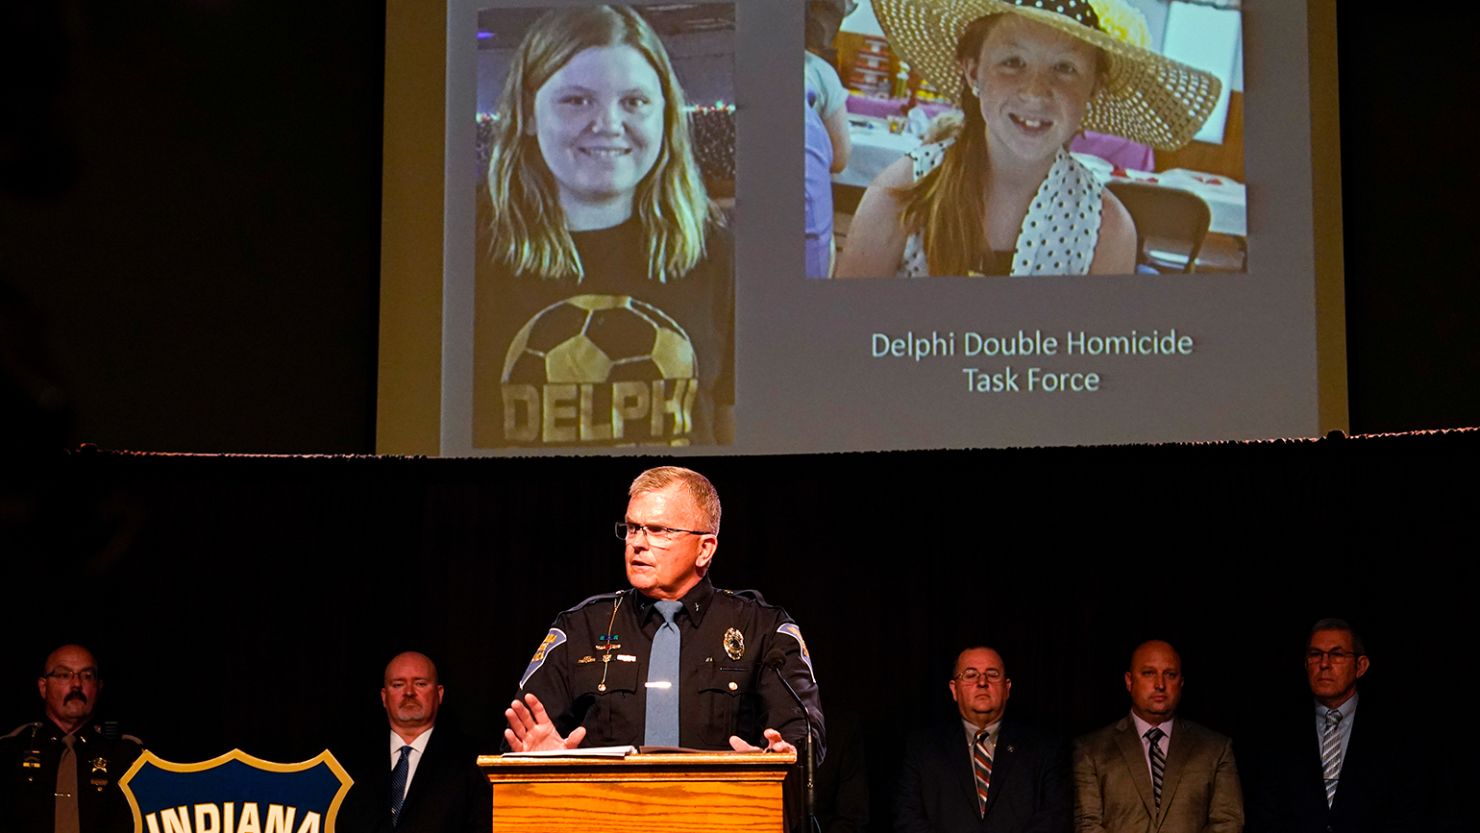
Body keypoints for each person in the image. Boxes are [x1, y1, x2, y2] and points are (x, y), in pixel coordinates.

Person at [475, 4, 734, 448]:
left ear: (665, 114)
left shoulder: (713, 249)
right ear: (529, 113)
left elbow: (730, 418)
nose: (609, 124)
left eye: (634, 102)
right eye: (577, 101)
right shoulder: (466, 251)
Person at [836, 0, 1220, 277]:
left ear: (1093, 88)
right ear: (973, 72)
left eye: (1065, 68)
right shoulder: (902, 196)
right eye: (1013, 62)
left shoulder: (1106, 230)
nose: (1035, 92)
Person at [505, 466, 824, 759]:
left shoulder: (762, 629)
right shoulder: (579, 629)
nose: (637, 544)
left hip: (722, 802)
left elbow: (804, 736)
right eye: (633, 528)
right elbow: (524, 737)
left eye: (658, 531)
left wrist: (781, 757)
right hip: (607, 803)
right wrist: (536, 759)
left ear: (705, 549)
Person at [1243, 619, 1418, 833]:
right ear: (1306, 664)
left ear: (1361, 666)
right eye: (1315, 654)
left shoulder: (1395, 735)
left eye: (1337, 655)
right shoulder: (1276, 733)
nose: (1324, 664)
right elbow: (1263, 811)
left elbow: (1408, 811)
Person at [1072, 640, 1242, 833]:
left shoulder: (1216, 748)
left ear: (1181, 683)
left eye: (1170, 675)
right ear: (1129, 681)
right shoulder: (1091, 750)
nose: (1160, 684)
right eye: (1148, 673)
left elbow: (1227, 822)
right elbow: (1087, 824)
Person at [896, 646, 1070, 833]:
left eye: (992, 674)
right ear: (954, 689)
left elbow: (1055, 818)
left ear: (1007, 688)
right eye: (970, 675)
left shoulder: (1044, 749)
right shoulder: (922, 749)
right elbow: (907, 818)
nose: (982, 682)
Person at [337, 652, 490, 833]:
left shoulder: (472, 762)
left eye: (420, 684)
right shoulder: (350, 761)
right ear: (384, 697)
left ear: (439, 693)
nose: (409, 692)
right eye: (398, 684)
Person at [0, 644, 144, 833]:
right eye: (63, 675)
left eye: (87, 676)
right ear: (43, 687)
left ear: (98, 687)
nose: (76, 684)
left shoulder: (127, 755)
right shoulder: (9, 751)